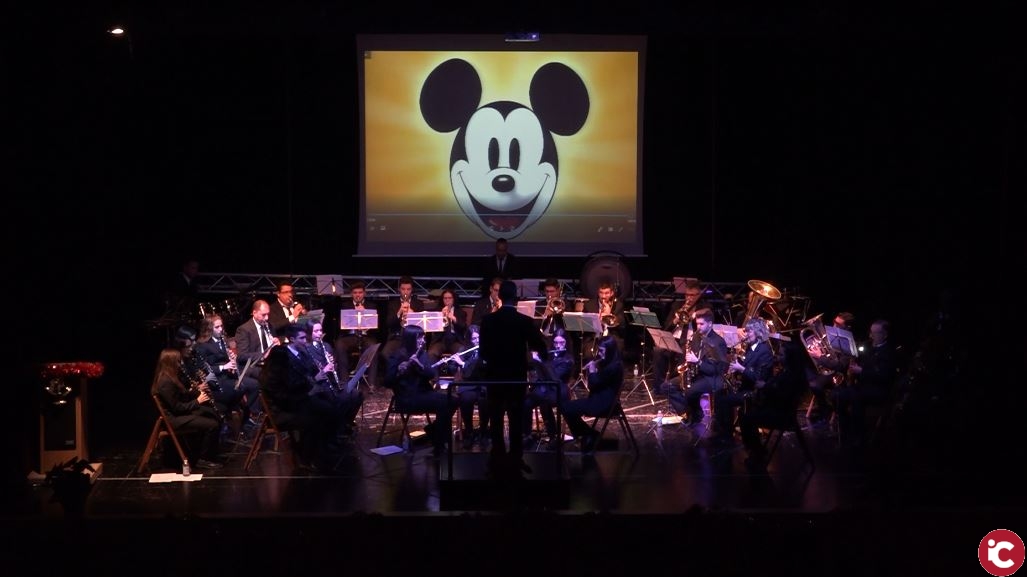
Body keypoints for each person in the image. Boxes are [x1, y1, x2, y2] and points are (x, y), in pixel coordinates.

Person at [479, 280, 548, 478]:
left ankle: (497, 457)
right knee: (516, 418)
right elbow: (539, 345)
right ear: (516, 298)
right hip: (516, 377)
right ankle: (516, 458)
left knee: (496, 419)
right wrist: (541, 358)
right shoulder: (524, 321)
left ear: (500, 296)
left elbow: (483, 352)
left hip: (495, 377)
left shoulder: (488, 320)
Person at [259, 323, 349, 471]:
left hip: (297, 399)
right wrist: (311, 386)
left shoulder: (301, 354)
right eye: (301, 338)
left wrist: (317, 378)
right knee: (318, 414)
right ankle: (307, 457)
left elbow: (303, 379)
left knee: (330, 406)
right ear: (292, 339)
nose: (305, 341)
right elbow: (282, 387)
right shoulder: (280, 357)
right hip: (283, 408)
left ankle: (324, 448)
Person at [383, 325, 458, 456]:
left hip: (423, 393)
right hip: (406, 397)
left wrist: (419, 365)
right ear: (410, 339)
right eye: (419, 338)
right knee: (444, 403)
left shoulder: (421, 354)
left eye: (423, 337)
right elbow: (387, 381)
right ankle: (439, 442)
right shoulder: (397, 356)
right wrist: (398, 371)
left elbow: (431, 374)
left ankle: (434, 431)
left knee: (453, 400)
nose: (423, 340)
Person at [739, 339, 811, 471]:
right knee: (746, 413)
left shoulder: (791, 376)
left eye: (782, 355)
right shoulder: (789, 371)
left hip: (782, 416)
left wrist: (764, 387)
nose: (778, 357)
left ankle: (757, 452)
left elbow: (782, 396)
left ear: (790, 357)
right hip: (780, 411)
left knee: (746, 418)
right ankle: (757, 450)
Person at [150, 347, 224, 470]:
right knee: (212, 424)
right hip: (173, 420)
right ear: (170, 363)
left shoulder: (171, 377)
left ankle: (201, 452)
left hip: (178, 415)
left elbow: (181, 396)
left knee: (210, 413)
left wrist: (194, 390)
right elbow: (177, 408)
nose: (180, 364)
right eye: (178, 361)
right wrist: (197, 401)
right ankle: (203, 458)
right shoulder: (165, 382)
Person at [832, 319, 898, 449]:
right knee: (837, 394)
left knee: (857, 397)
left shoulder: (889, 352)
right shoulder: (868, 346)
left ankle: (859, 436)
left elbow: (884, 376)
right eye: (870, 332)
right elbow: (860, 364)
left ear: (885, 335)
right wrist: (853, 367)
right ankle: (846, 430)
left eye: (875, 333)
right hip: (863, 385)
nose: (870, 336)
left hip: (879, 389)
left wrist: (861, 371)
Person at [658, 308, 729, 428]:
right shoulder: (696, 336)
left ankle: (694, 414)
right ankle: (690, 412)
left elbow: (716, 370)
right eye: (697, 324)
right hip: (696, 373)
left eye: (701, 324)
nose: (698, 327)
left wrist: (698, 362)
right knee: (666, 386)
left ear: (710, 324)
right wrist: (689, 361)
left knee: (690, 391)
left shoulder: (718, 342)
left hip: (710, 377)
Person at [559, 334, 624, 452]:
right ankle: (589, 435)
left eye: (602, 351)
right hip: (600, 400)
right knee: (566, 407)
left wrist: (592, 371)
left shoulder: (614, 367)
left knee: (566, 407)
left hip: (604, 404)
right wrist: (597, 367)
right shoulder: (612, 364)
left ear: (610, 351)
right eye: (599, 350)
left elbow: (592, 385)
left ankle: (589, 435)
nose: (599, 353)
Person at [193, 314, 262, 421]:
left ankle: (249, 415)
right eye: (217, 327)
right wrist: (223, 367)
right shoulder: (203, 345)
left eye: (221, 326)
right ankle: (240, 415)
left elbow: (226, 359)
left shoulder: (222, 340)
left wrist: (232, 358)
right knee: (241, 387)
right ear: (209, 329)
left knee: (254, 384)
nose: (220, 329)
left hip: (229, 376)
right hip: (217, 380)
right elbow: (202, 369)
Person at [720, 318, 778, 438]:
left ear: (758, 332)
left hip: (757, 393)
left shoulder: (764, 351)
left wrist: (741, 369)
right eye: (745, 331)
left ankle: (727, 435)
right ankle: (728, 431)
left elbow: (759, 378)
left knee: (724, 401)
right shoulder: (751, 348)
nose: (745, 334)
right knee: (720, 393)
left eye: (749, 331)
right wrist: (736, 368)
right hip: (747, 387)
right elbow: (749, 367)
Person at [652, 279, 708, 393]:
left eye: (692, 295)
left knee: (684, 352)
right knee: (658, 350)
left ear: (699, 295)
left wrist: (694, 316)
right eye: (687, 295)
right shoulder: (677, 305)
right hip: (675, 338)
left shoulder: (704, 306)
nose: (689, 298)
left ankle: (676, 385)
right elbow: (666, 327)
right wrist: (675, 320)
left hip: (691, 340)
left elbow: (705, 323)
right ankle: (659, 387)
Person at [523, 328, 574, 450]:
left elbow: (554, 377)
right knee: (525, 403)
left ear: (566, 343)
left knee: (544, 402)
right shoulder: (549, 355)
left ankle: (553, 436)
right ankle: (527, 434)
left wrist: (541, 361)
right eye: (555, 342)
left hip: (559, 391)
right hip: (544, 389)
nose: (558, 346)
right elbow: (536, 371)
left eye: (561, 343)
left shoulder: (568, 360)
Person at [336, 281, 380, 389]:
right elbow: (340, 326)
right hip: (350, 336)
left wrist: (364, 313)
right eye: (355, 293)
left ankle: (371, 383)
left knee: (373, 347)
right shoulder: (345, 306)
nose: (358, 295)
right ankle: (344, 382)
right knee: (339, 345)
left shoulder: (371, 306)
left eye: (360, 292)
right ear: (351, 294)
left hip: (366, 336)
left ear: (364, 293)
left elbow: (376, 327)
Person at [582, 281, 626, 364]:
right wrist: (597, 319)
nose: (603, 296)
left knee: (615, 350)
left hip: (611, 337)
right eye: (601, 293)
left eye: (606, 293)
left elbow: (622, 326)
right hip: (594, 338)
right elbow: (584, 325)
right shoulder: (589, 305)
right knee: (588, 353)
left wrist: (609, 315)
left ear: (612, 293)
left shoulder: (618, 305)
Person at [233, 300, 278, 378]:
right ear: (254, 313)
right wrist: (263, 355)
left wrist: (276, 344)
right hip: (255, 366)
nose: (267, 318)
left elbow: (273, 345)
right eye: (263, 315)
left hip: (270, 363)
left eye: (268, 314)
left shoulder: (269, 325)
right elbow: (242, 356)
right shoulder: (244, 330)